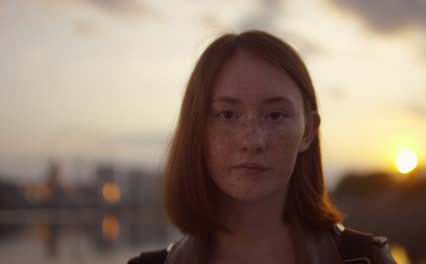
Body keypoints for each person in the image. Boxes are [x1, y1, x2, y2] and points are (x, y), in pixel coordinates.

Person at [128, 30, 397, 264]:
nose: (252, 141)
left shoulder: (366, 260)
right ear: (197, 129)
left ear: (308, 132)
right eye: (228, 115)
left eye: (275, 115)